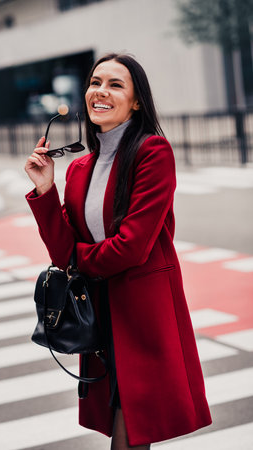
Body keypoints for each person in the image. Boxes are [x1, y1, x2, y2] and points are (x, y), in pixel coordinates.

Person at [25, 53, 212, 449]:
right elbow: (62, 251)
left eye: (115, 84)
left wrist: (78, 259)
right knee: (123, 424)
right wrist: (45, 189)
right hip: (97, 313)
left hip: (141, 315)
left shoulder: (152, 153)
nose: (101, 92)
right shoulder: (79, 169)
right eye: (95, 82)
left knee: (131, 430)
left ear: (136, 100)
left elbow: (131, 247)